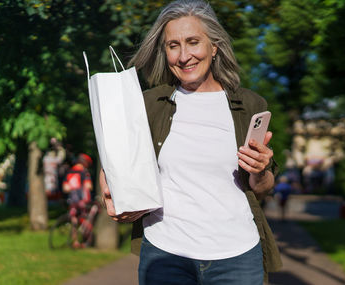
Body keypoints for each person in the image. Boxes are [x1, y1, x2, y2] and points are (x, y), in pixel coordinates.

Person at [100, 0, 282, 283]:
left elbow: (262, 188)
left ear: (214, 46)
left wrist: (260, 170)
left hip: (238, 256)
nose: (184, 56)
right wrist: (112, 193)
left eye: (193, 42)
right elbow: (115, 157)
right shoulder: (148, 104)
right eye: (173, 45)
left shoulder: (249, 105)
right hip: (165, 253)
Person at [62, 153, 93, 248]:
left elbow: (65, 187)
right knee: (86, 219)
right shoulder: (84, 172)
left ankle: (75, 242)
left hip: (72, 199)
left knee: (74, 220)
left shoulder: (70, 172)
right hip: (82, 200)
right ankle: (85, 242)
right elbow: (88, 186)